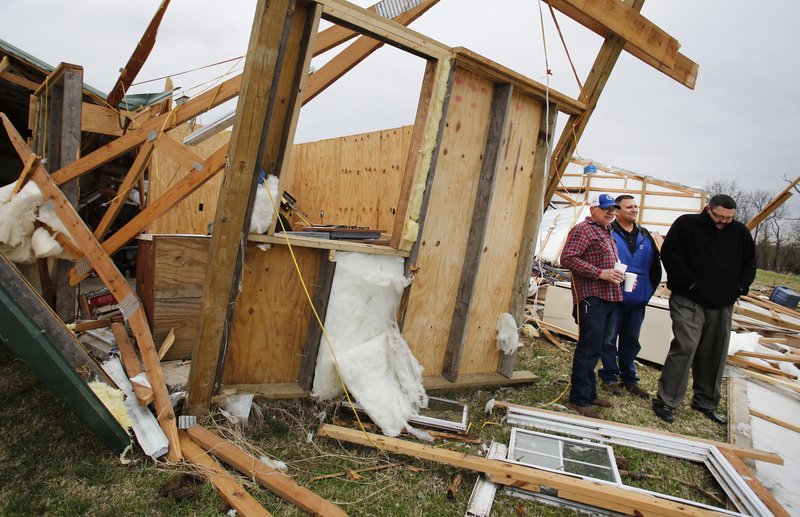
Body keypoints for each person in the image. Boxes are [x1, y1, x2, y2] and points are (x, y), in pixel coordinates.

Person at [652, 194, 756, 424]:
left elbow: (750, 263)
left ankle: (706, 402)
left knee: (715, 351)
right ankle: (666, 401)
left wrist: (740, 287)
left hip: (722, 302)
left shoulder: (739, 232)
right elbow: (670, 255)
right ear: (708, 209)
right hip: (689, 298)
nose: (723, 221)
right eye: (719, 216)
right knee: (686, 346)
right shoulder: (687, 224)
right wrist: (690, 282)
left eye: (728, 218)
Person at [560, 193, 625, 419]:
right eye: (606, 208)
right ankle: (579, 399)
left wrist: (616, 275)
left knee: (597, 347)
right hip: (592, 297)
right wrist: (600, 273)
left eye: (614, 209)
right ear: (593, 209)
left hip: (608, 297)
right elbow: (567, 258)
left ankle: (589, 392)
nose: (611, 213)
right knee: (588, 348)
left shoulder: (607, 231)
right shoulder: (583, 229)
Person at [600, 195, 662, 399]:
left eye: (636, 206)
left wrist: (647, 292)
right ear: (617, 210)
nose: (634, 210)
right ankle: (609, 377)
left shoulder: (644, 235)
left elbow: (655, 269)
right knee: (608, 340)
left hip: (637, 300)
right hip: (613, 297)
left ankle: (629, 379)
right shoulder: (608, 233)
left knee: (631, 340)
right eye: (629, 207)